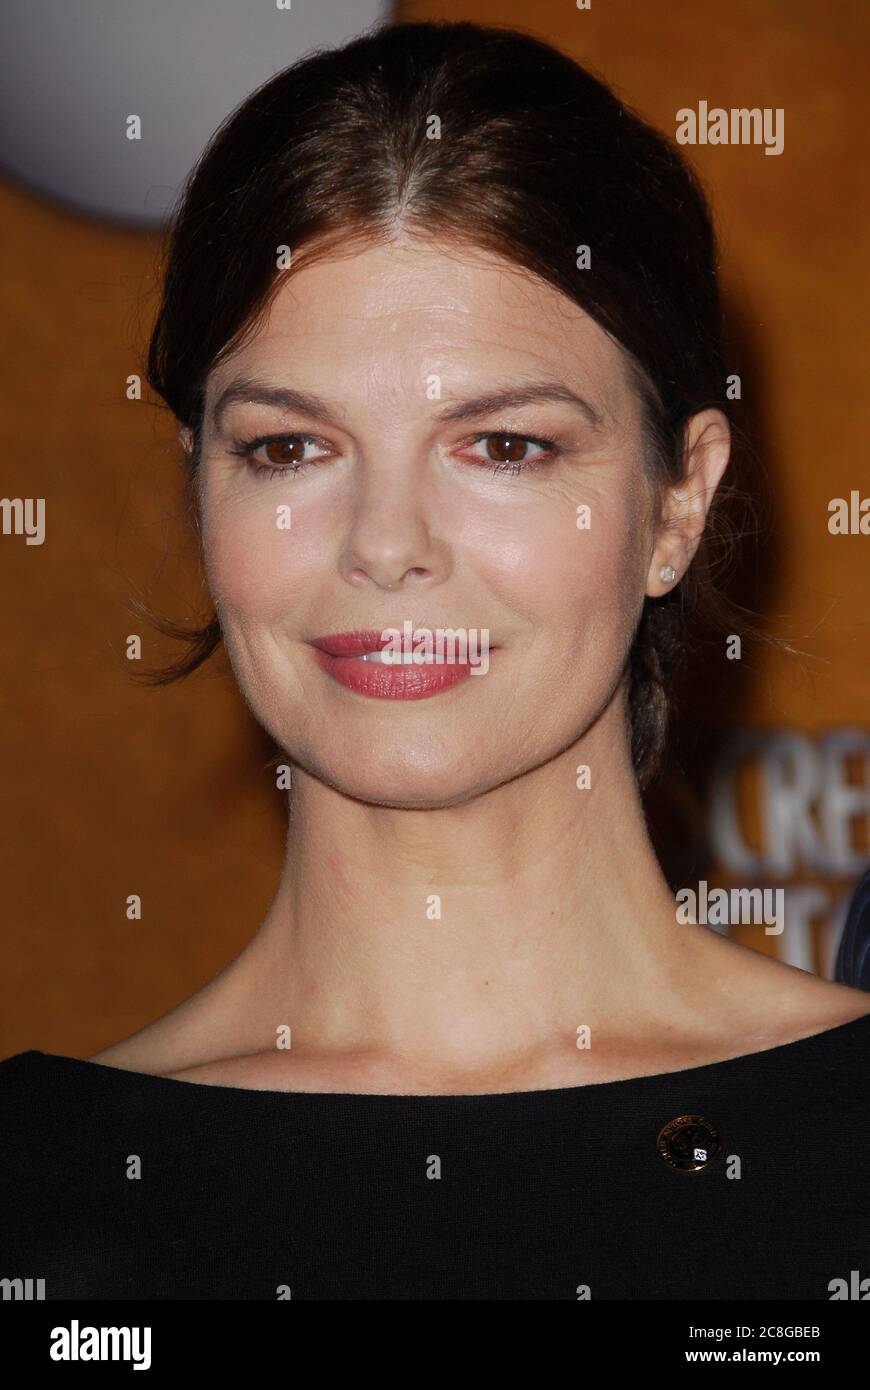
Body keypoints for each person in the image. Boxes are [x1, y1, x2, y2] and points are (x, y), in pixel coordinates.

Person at [2, 19, 867, 1301]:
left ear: (677, 505)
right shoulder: (39, 1196)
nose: (387, 547)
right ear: (199, 493)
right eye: (289, 448)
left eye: (505, 446)